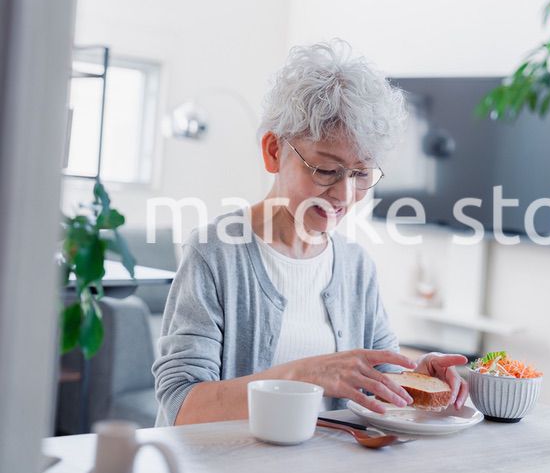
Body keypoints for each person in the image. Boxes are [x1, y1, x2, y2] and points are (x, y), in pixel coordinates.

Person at [153, 40, 469, 426]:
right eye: (325, 170)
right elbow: (184, 407)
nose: (344, 194)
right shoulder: (215, 254)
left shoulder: (355, 266)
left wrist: (417, 377)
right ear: (273, 151)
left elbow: (378, 382)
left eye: (361, 174)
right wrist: (305, 375)